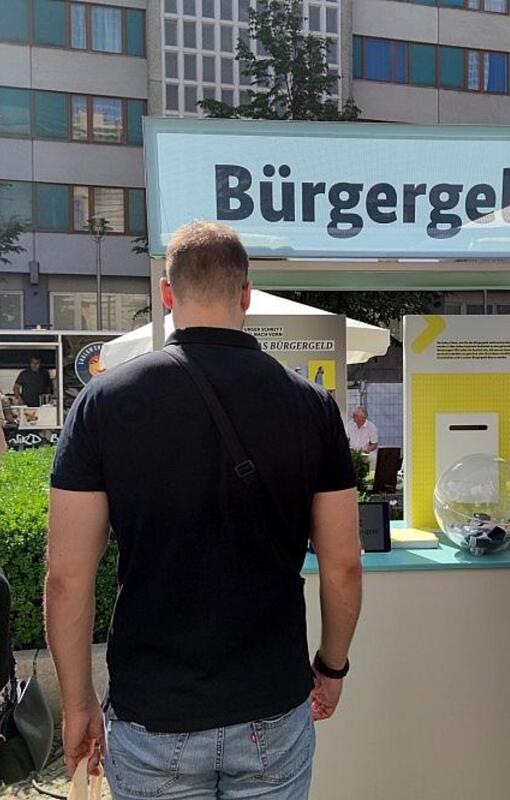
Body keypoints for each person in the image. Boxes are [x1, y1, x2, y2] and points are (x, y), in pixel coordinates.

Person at [46, 221, 363, 799]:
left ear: (167, 295)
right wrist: (332, 667)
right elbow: (342, 564)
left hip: (153, 714)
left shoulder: (105, 401)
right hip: (271, 707)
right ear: (246, 294)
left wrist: (77, 703)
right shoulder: (311, 405)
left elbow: (68, 578)